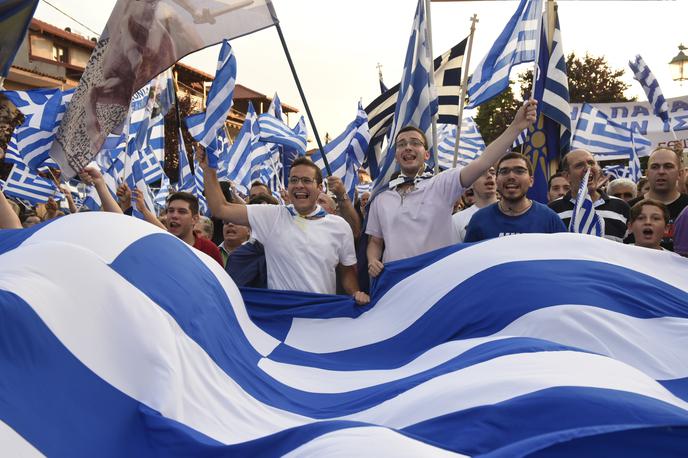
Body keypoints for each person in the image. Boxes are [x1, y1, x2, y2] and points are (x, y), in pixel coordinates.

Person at [366, 99, 538, 276]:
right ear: (396, 156)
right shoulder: (381, 198)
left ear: (426, 155)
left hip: (438, 280)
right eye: (401, 144)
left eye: (415, 143)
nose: (408, 147)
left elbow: (483, 162)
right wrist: (372, 260)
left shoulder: (442, 184)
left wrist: (516, 127)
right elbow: (376, 242)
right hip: (396, 283)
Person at [200, 152, 369, 304]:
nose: (299, 185)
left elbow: (347, 272)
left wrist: (356, 293)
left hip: (321, 317)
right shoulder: (270, 216)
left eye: (306, 180)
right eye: (293, 180)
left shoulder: (339, 227)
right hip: (283, 319)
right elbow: (220, 208)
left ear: (319, 188)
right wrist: (208, 169)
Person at [464, 153, 565, 242]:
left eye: (519, 171)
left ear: (531, 181)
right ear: (497, 180)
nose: (511, 176)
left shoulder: (549, 218)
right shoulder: (479, 220)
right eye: (504, 171)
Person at [549, 149, 630, 242]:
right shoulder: (552, 210)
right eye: (579, 165)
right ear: (567, 176)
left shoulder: (621, 207)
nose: (588, 168)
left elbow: (631, 247)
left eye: (591, 163)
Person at [626, 147, 688, 250]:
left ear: (680, 174)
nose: (661, 172)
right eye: (655, 167)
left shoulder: (687, 207)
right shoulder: (628, 208)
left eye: (668, 166)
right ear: (647, 174)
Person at [452, 166, 498, 242]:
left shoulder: (513, 213)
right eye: (482, 174)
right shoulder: (457, 220)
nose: (489, 176)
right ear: (471, 182)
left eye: (493, 173)